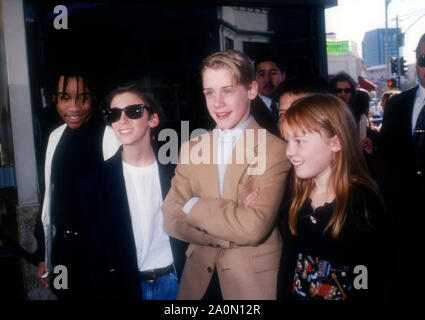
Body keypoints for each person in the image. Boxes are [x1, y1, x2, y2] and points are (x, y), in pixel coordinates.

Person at [162, 50, 291, 300]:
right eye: (210, 92)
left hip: (251, 286)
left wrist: (192, 205)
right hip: (197, 284)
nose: (217, 103)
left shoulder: (275, 149)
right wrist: (234, 216)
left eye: (227, 91)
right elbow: (170, 219)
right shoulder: (192, 148)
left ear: (252, 90)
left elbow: (254, 228)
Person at [74, 81, 186, 299]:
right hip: (124, 287)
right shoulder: (95, 180)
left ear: (153, 119)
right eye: (113, 114)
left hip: (177, 283)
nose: (122, 120)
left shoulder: (179, 173)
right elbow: (91, 251)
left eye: (133, 111)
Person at [276, 94, 383, 300]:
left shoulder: (362, 204)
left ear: (335, 142)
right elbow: (287, 268)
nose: (289, 151)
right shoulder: (298, 201)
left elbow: (368, 279)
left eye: (299, 141)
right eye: (287, 141)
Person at [35, 69, 120, 299]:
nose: (74, 107)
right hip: (64, 255)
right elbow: (48, 201)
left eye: (83, 97)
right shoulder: (55, 137)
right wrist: (44, 255)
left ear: (94, 97)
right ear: (54, 99)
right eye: (65, 98)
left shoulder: (110, 137)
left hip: (101, 258)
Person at [376, 33, 425, 299]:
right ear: (415, 62)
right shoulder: (397, 104)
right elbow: (386, 154)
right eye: (424, 60)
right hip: (403, 218)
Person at [250, 54, 286, 136]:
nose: (267, 79)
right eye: (262, 74)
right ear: (254, 78)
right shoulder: (247, 109)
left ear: (283, 76)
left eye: (273, 73)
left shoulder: (292, 103)